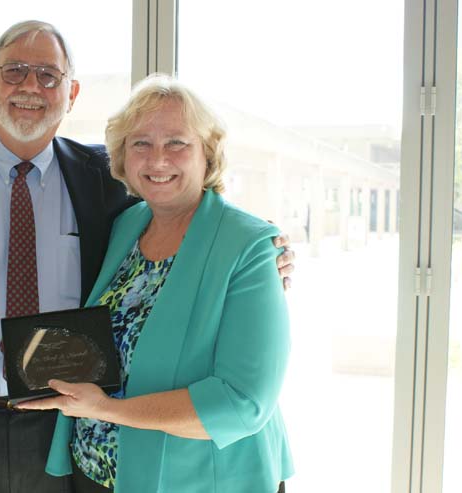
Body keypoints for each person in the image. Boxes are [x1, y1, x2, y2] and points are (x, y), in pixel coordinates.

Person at [0, 21, 294, 493]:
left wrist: (267, 252)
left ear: (70, 93)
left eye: (48, 75)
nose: (31, 86)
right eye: (14, 71)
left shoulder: (106, 184)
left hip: (69, 436)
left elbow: (196, 209)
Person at [18, 74, 293, 493]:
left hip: (198, 480)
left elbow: (242, 403)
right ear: (122, 158)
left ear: (208, 153)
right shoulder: (128, 224)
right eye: (141, 143)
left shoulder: (249, 245)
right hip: (98, 473)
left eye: (177, 143)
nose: (157, 160)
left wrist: (110, 409)